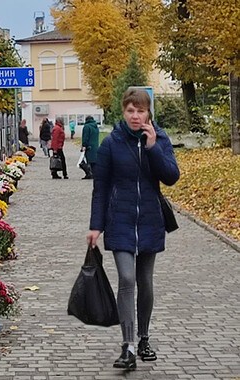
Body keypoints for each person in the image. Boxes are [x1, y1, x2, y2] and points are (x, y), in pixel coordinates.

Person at [87, 88, 180, 370]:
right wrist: (96, 226)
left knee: (146, 282)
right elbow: (100, 187)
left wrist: (152, 148)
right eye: (130, 111)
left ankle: (144, 338)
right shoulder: (111, 143)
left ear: (148, 113)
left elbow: (171, 177)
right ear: (123, 112)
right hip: (121, 221)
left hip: (150, 221)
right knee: (127, 279)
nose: (136, 116)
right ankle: (127, 347)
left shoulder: (159, 138)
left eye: (140, 111)